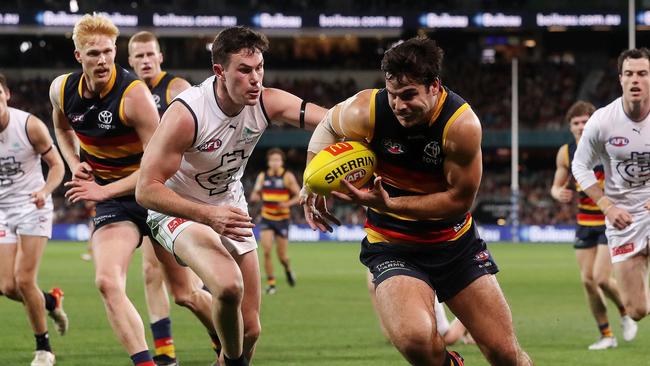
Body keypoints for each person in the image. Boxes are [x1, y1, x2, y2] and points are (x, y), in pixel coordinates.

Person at [301, 36, 532, 366]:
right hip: (392, 245)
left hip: (454, 245)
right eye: (393, 95)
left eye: (409, 95)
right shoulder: (366, 109)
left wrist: (389, 204)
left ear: (434, 86)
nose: (398, 105)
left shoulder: (461, 126)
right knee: (415, 341)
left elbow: (458, 201)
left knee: (506, 355)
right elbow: (327, 123)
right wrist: (312, 179)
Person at [135, 26, 326, 366]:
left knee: (250, 329)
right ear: (220, 71)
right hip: (179, 210)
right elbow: (146, 189)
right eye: (245, 70)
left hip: (228, 205)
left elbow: (330, 121)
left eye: (260, 68)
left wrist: (316, 176)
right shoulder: (187, 114)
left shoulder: (267, 102)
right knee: (227, 286)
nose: (256, 79)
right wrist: (207, 216)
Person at [49, 14, 161, 366]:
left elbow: (158, 166)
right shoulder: (61, 89)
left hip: (157, 196)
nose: (102, 60)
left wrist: (104, 191)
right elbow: (63, 129)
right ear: (78, 56)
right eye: (94, 53)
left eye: (109, 52)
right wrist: (73, 162)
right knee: (107, 282)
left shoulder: (135, 96)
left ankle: (224, 349)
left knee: (189, 294)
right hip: (115, 202)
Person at [551, 100, 637, 350]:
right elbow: (556, 185)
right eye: (576, 123)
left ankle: (625, 312)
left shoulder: (607, 146)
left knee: (600, 278)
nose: (580, 126)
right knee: (587, 281)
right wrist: (558, 193)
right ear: (570, 127)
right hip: (584, 222)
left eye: (585, 121)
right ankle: (607, 335)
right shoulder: (566, 152)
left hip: (609, 220)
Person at [572, 48, 650, 325]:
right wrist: (607, 206)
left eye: (642, 73)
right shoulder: (603, 121)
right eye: (629, 74)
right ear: (620, 79)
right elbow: (579, 165)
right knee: (637, 309)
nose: (635, 80)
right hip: (624, 219)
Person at [128, 30, 192, 366]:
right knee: (152, 272)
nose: (145, 61)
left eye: (150, 54)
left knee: (191, 290)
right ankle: (165, 352)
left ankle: (224, 336)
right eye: (138, 56)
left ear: (161, 56)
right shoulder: (129, 94)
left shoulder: (176, 89)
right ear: (130, 62)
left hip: (183, 192)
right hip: (151, 193)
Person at [0, 73, 67, 366]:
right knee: (7, 287)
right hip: (2, 211)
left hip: (33, 206)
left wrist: (45, 190)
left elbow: (56, 165)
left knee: (25, 280)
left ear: (6, 94)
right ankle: (51, 302)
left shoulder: (29, 125)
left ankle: (44, 349)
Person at [366, 272, 474, 346]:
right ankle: (468, 321)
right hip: (401, 277)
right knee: (393, 336)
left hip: (416, 280)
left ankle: (470, 315)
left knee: (445, 338)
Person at [249, 148, 300, 294]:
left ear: (282, 162)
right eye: (272, 160)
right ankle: (271, 283)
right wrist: (254, 196)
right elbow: (256, 192)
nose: (275, 163)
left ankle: (288, 269)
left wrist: (288, 204)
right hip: (267, 217)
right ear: (268, 162)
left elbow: (298, 195)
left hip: (282, 219)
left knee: (282, 256)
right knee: (266, 251)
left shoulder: (287, 176)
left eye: (277, 160)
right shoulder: (263, 176)